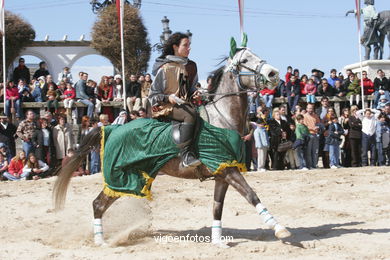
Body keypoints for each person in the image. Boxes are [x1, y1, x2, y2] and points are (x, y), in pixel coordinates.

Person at [148, 32, 201, 168]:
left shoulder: (192, 66)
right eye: (185, 45)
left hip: (185, 105)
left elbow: (191, 89)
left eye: (189, 45)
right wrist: (168, 97)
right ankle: (185, 156)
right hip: (164, 106)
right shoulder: (165, 68)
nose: (189, 48)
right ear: (175, 47)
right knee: (189, 114)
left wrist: (196, 94)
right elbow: (153, 95)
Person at [303, 103, 320, 169]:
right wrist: (312, 128)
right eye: (309, 108)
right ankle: (309, 165)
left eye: (311, 108)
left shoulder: (315, 115)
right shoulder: (304, 116)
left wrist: (318, 127)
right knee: (309, 151)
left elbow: (318, 123)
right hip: (309, 134)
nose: (310, 109)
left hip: (315, 134)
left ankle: (314, 165)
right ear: (306, 109)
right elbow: (304, 126)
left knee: (315, 151)